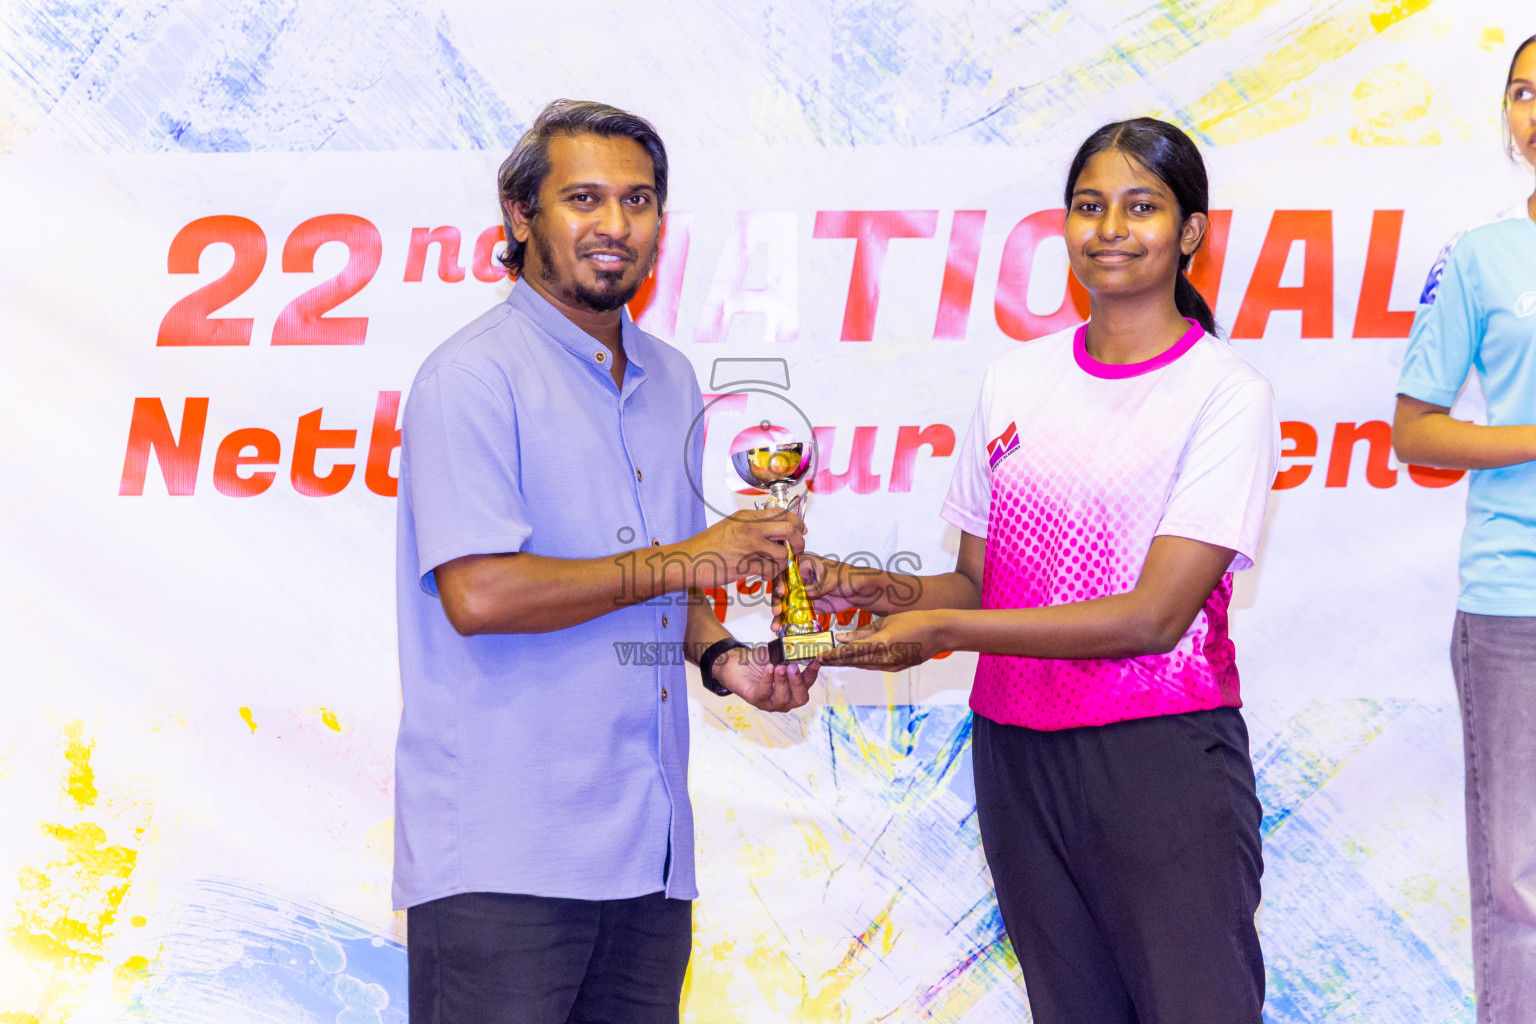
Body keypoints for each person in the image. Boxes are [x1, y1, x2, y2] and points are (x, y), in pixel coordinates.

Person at [797, 118, 1279, 1023]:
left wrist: (941, 631)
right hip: (1015, 754)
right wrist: (858, 587)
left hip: (1159, 755)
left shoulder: (1225, 394)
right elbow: (978, 589)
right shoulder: (1014, 381)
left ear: (1191, 233)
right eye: (1089, 206)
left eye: (1142, 207)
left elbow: (1152, 619)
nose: (1110, 229)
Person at [392, 99, 818, 1024]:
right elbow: (480, 591)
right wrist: (685, 562)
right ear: (521, 217)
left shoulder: (668, 377)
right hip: (505, 860)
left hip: (650, 856)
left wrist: (725, 660)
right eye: (583, 198)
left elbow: (672, 587)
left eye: (639, 199)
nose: (615, 224)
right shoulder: (470, 377)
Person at [1392, 34, 1536, 1024]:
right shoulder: (1482, 257)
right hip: (1514, 604)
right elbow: (1416, 427)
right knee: (1520, 885)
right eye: (1524, 91)